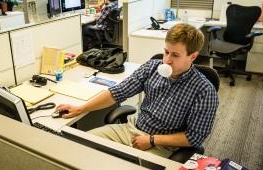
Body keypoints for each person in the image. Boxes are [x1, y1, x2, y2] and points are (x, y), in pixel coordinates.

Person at [56, 23, 219, 158]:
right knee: (80, 145)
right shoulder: (152, 67)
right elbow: (118, 92)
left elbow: (194, 137)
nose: (167, 60)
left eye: (175, 55)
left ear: (193, 57)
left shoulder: (204, 91)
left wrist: (153, 140)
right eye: (166, 52)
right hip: (132, 128)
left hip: (165, 145)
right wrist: (81, 108)